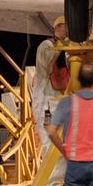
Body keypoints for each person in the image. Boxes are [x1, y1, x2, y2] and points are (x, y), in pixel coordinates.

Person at [32, 15, 72, 152]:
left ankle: (60, 172)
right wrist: (62, 45)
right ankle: (51, 173)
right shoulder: (46, 45)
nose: (67, 32)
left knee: (63, 139)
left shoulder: (66, 50)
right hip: (46, 101)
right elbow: (48, 61)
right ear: (57, 28)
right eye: (65, 28)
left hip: (59, 99)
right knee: (49, 141)